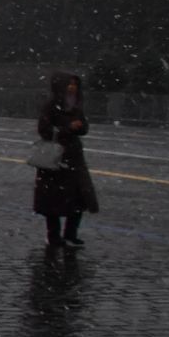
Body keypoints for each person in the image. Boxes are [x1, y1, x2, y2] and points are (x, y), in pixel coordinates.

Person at [33, 72, 98, 248]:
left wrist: (78, 127)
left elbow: (84, 127)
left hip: (74, 160)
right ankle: (54, 237)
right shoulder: (51, 107)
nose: (73, 88)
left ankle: (71, 234)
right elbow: (45, 130)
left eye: (75, 85)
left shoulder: (76, 107)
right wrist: (67, 128)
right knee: (53, 202)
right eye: (69, 84)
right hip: (55, 160)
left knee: (77, 199)